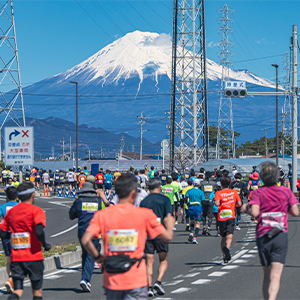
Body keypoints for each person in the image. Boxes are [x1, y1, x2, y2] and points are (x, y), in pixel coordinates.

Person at [81, 173, 174, 300]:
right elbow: (167, 237)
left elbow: (86, 239)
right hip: (136, 277)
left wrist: (98, 258)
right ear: (133, 194)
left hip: (112, 277)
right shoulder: (144, 215)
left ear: (117, 193)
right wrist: (169, 224)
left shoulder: (103, 215)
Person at [241, 161, 299, 300]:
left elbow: (254, 212)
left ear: (262, 177)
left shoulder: (258, 192)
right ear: (277, 176)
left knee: (266, 274)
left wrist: (245, 209)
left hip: (263, 235)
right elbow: (295, 212)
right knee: (276, 275)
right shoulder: (286, 191)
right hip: (280, 235)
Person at [0, 183, 51, 300]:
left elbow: (2, 233)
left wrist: (13, 235)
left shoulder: (12, 212)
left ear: (18, 196)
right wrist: (44, 244)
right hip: (34, 257)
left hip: (17, 258)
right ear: (33, 195)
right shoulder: (37, 211)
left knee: (18, 290)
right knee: (37, 291)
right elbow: (38, 231)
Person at [140, 178, 173, 297]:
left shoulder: (144, 201)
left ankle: (149, 287)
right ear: (159, 187)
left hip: (147, 234)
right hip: (161, 234)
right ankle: (158, 282)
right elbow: (168, 216)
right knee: (163, 260)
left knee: (149, 262)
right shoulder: (165, 199)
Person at [69, 182, 104, 292]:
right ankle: (85, 279)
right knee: (90, 255)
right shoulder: (99, 201)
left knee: (85, 254)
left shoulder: (78, 201)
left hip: (82, 232)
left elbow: (71, 215)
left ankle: (84, 277)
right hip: (94, 232)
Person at [214, 176, 242, 263]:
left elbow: (217, 203)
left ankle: (224, 255)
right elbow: (239, 203)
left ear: (221, 184)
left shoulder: (218, 193)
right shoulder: (234, 192)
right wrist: (233, 205)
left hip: (222, 217)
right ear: (230, 183)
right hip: (231, 216)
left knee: (223, 237)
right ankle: (227, 249)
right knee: (229, 236)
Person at [0, 187, 19, 294]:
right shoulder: (20, 206)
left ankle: (11, 279)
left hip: (6, 235)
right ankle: (12, 280)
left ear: (6, 196)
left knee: (8, 259)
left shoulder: (2, 207)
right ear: (17, 196)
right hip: (19, 235)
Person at [185, 179, 205, 244]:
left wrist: (187, 203)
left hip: (191, 207)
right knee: (198, 223)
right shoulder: (201, 192)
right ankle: (195, 237)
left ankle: (191, 232)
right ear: (199, 184)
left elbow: (185, 198)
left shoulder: (189, 191)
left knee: (192, 221)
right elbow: (203, 201)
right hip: (198, 207)